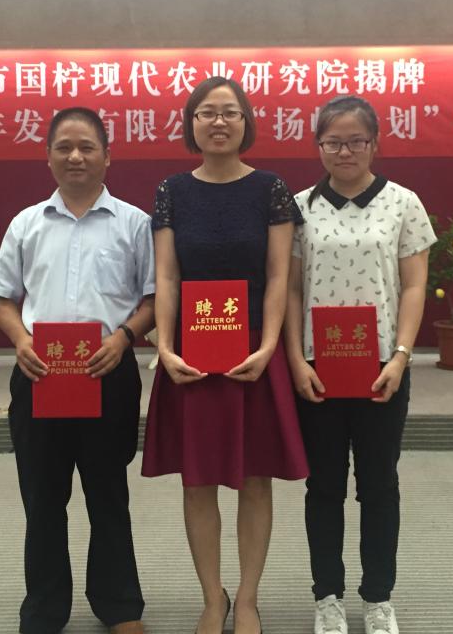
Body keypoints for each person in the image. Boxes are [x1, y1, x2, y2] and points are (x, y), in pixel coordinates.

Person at [141, 77, 308, 634]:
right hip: (191, 353)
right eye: (207, 113)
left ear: (246, 123)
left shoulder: (270, 189)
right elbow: (167, 276)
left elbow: (280, 276)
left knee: (255, 478)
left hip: (255, 351)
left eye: (230, 112)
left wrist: (269, 346)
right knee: (197, 480)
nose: (218, 122)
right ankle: (213, 598)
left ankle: (250, 599)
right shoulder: (171, 191)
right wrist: (165, 348)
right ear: (191, 124)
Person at [0, 107, 155, 634]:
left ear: (107, 155)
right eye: (64, 147)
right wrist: (21, 340)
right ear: (49, 157)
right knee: (42, 498)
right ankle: (44, 609)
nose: (75, 156)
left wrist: (124, 337)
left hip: (108, 373)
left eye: (86, 147)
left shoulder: (134, 223)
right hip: (41, 375)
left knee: (109, 495)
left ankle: (119, 606)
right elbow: (1, 296)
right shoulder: (26, 223)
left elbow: (153, 298)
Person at [283, 95, 435, 634]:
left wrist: (402, 356)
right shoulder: (298, 208)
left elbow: (414, 285)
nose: (344, 151)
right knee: (323, 486)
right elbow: (290, 288)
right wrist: (295, 360)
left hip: (381, 370)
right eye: (333, 142)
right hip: (317, 370)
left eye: (355, 141)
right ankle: (326, 596)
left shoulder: (403, 203)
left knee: (378, 485)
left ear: (374, 143)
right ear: (318, 145)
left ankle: (377, 597)